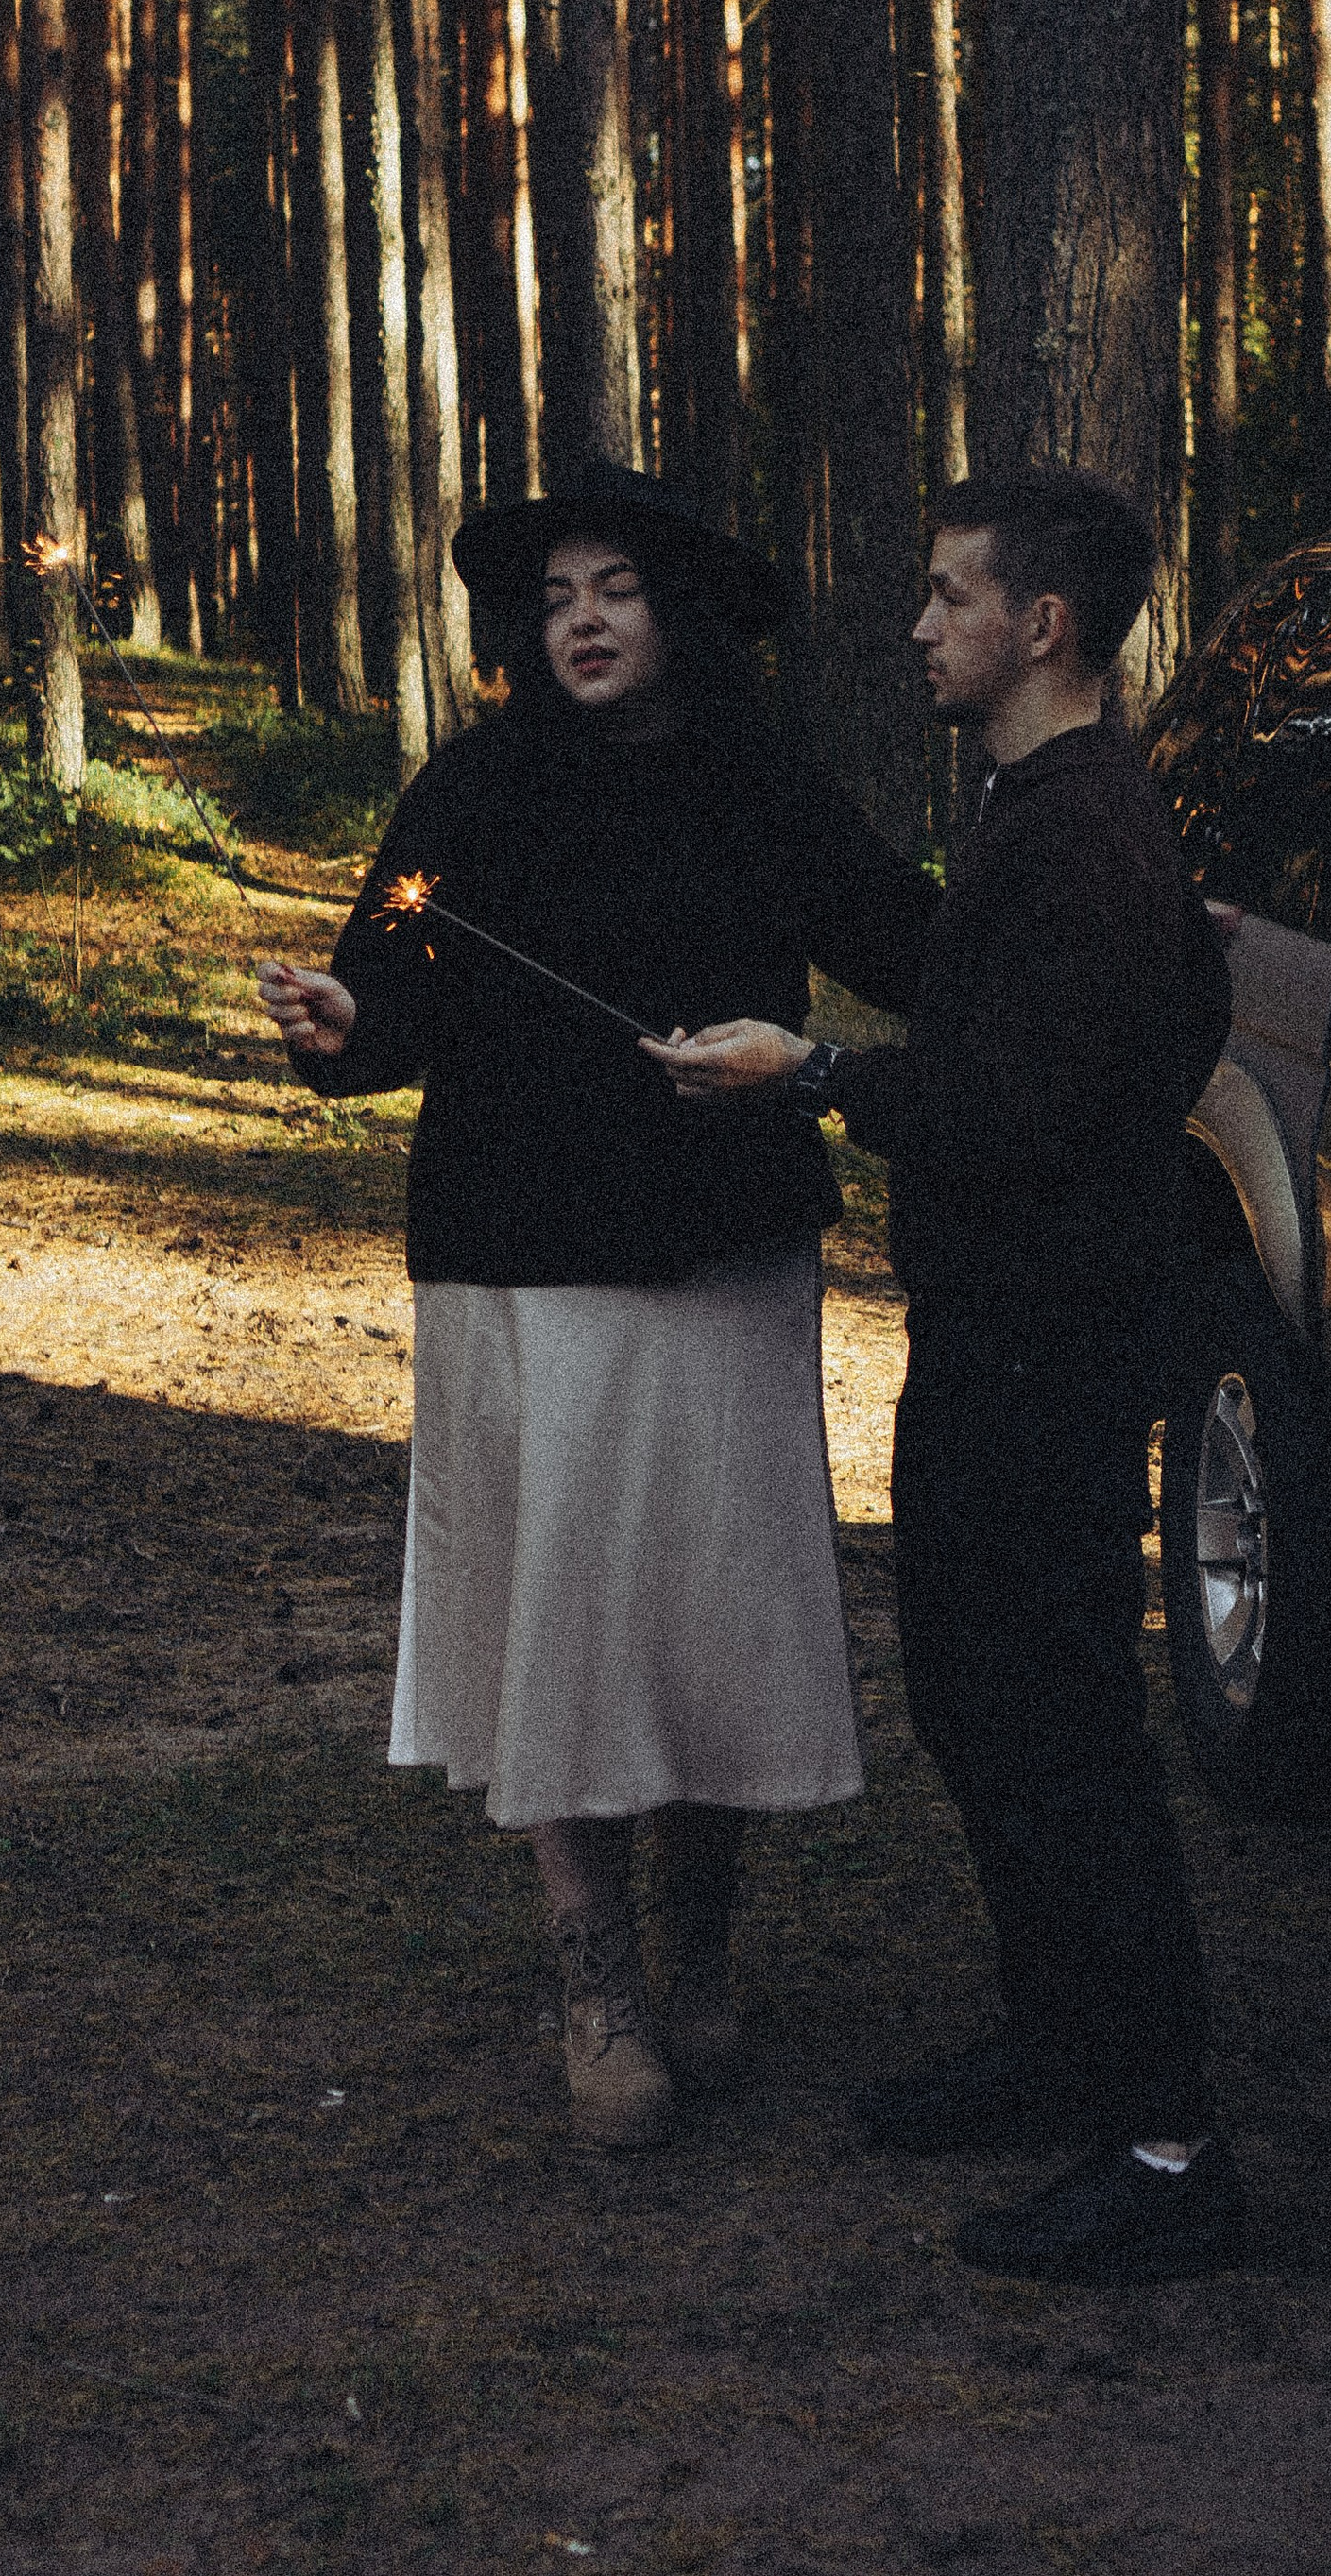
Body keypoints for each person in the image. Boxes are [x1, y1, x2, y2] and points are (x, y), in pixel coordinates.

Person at [256, 466, 936, 2151]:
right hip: (526, 1261)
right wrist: (340, 1021)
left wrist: (1104, 934)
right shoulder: (470, 794)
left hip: (724, 1258)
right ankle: (596, 1985)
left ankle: (700, 1951)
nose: (580, 617)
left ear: (678, 614)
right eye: (557, 594)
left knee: (708, 1615)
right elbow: (393, 992)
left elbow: (917, 947)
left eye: (616, 586)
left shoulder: (767, 785)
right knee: (569, 1622)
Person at [650, 469, 1241, 2281]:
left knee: (1056, 1728)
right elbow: (1022, 1033)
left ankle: (1167, 2151)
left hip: (1048, 1349)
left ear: (1040, 625)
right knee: (992, 1712)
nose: (917, 626)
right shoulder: (1042, 813)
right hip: (1013, 1330)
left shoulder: (1084, 835)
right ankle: (1066, 2054)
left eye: (947, 594)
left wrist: (813, 1073)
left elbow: (1010, 1108)